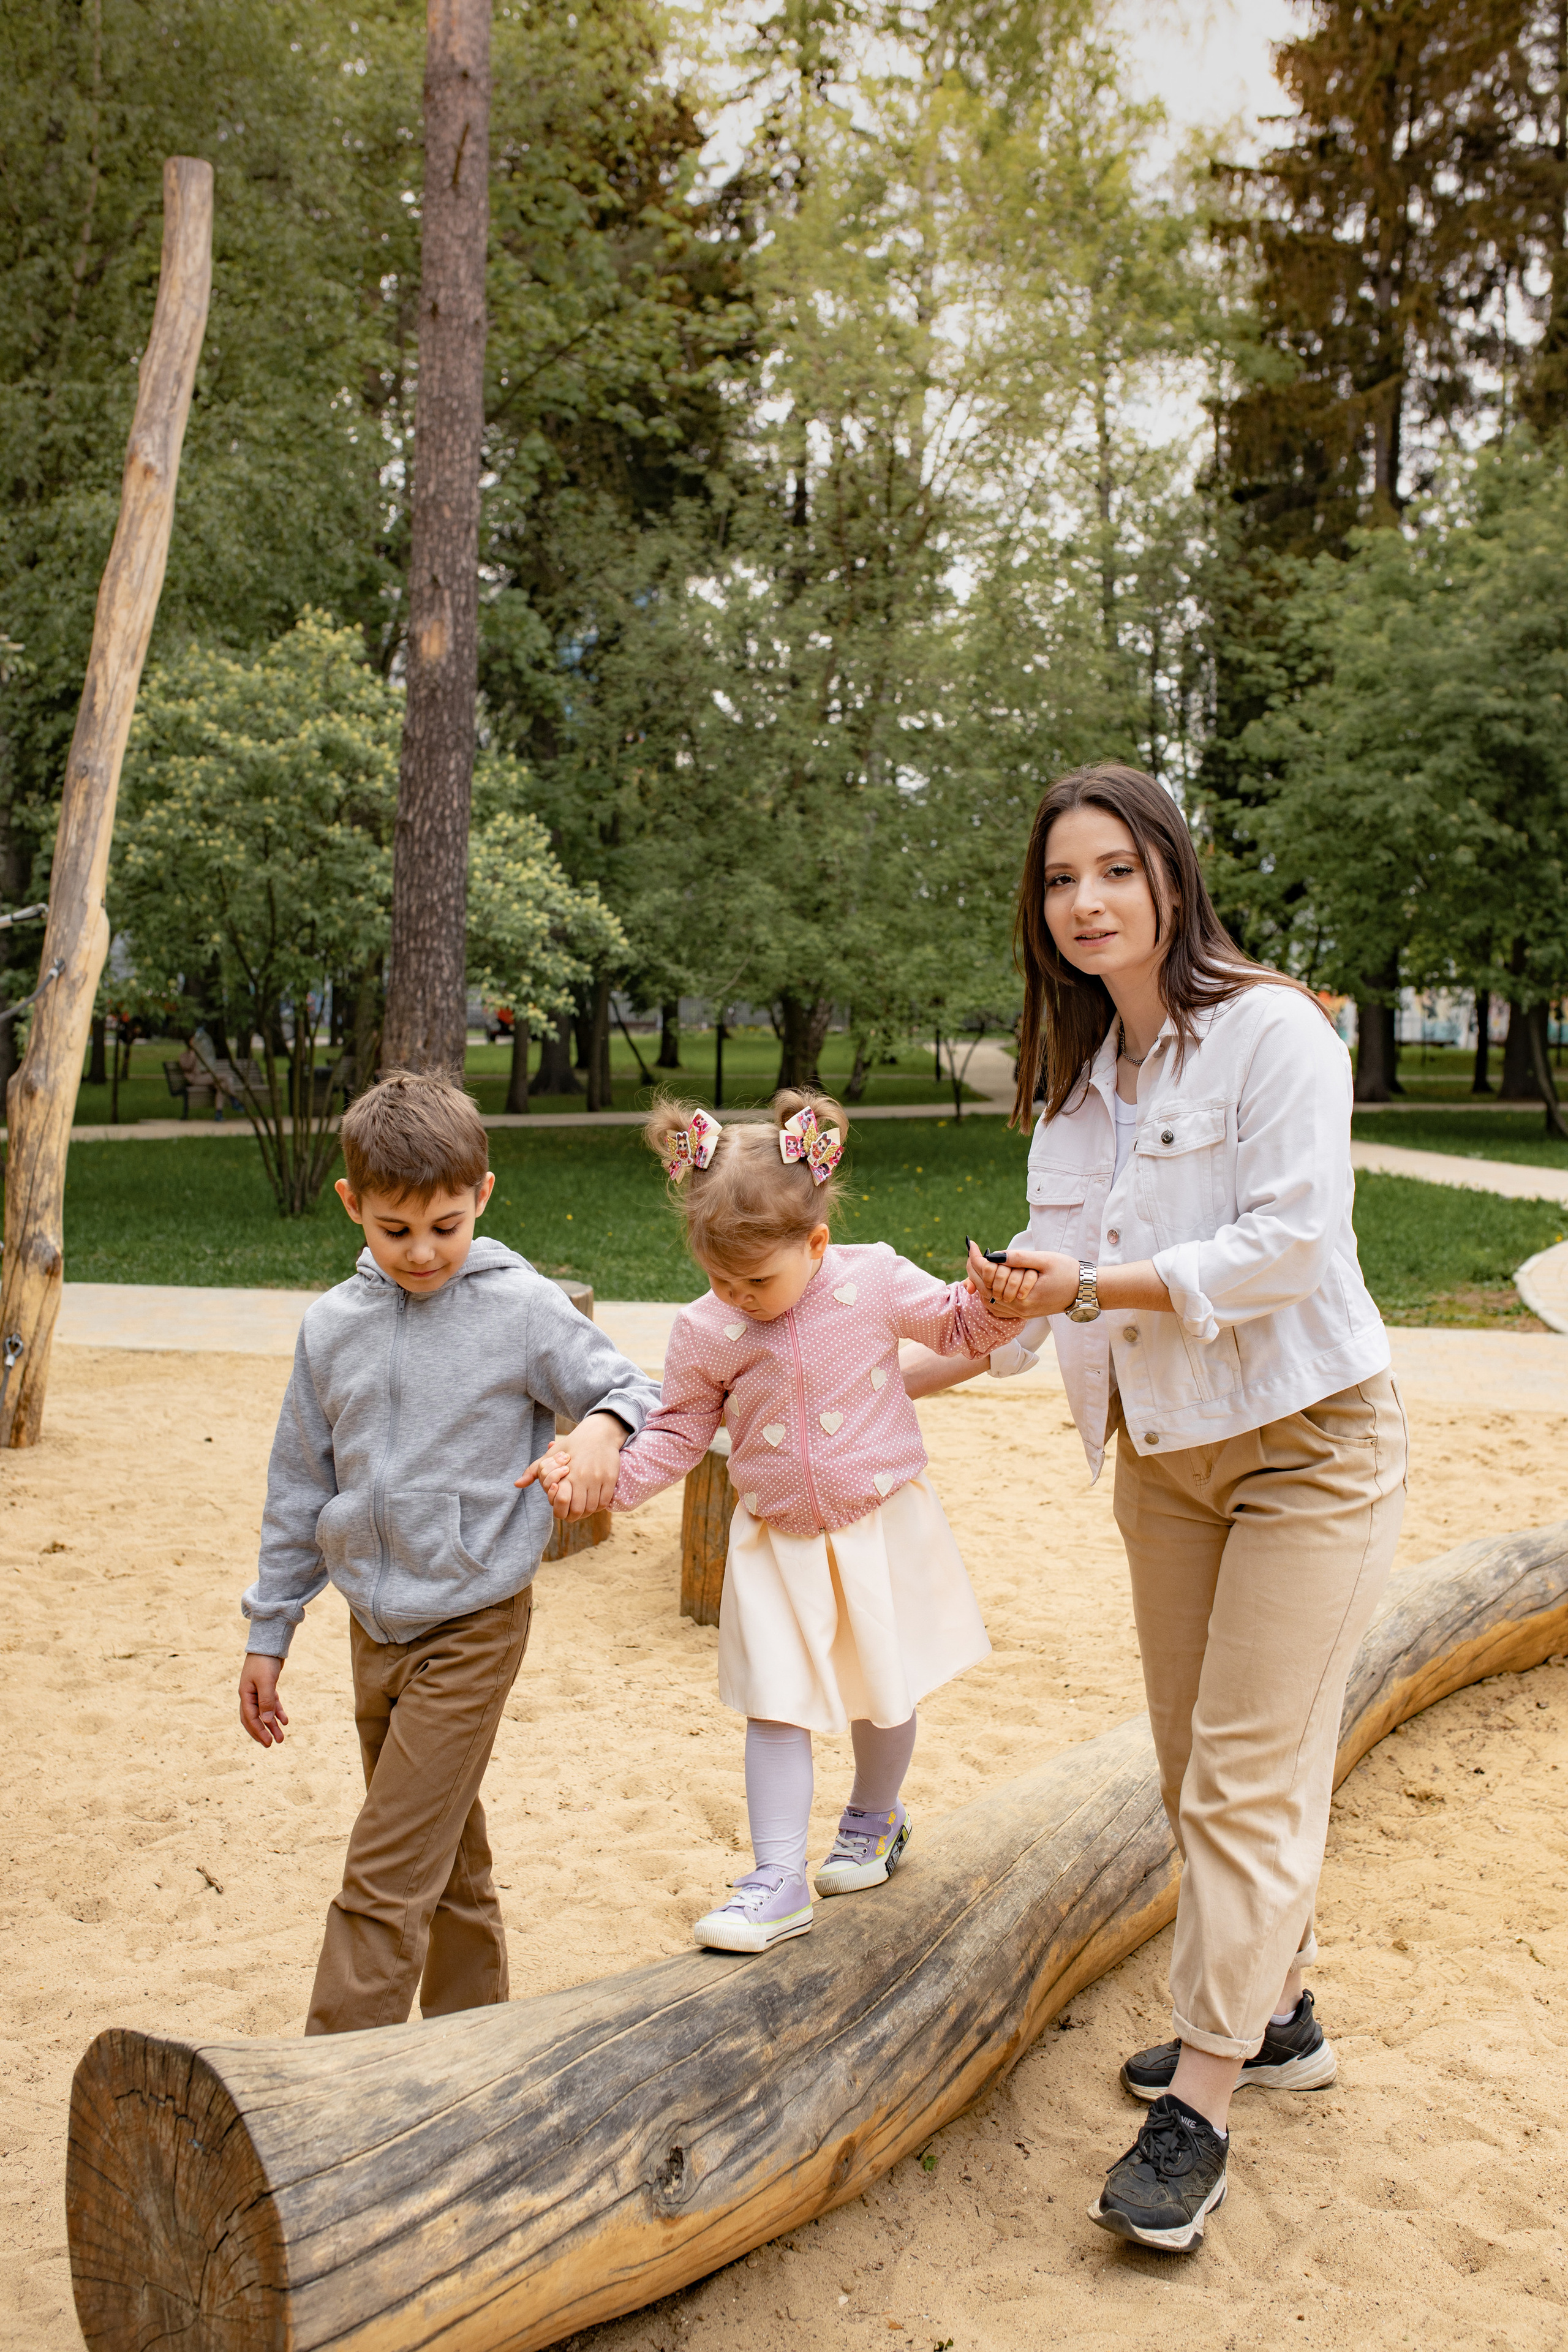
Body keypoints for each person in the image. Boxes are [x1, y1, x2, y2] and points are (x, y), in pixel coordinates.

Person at [908, 762, 1406, 2255]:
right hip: (1163, 1454)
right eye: (1060, 880)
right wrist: (871, 1359)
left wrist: (1085, 1289)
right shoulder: (1074, 1091)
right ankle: (1282, 2011)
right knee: (1201, 1770)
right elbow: (1032, 1302)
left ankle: (1199, 2097)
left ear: (1171, 879)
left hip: (1308, 1443)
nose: (1085, 902)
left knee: (1249, 1779)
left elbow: (1286, 1250)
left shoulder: (1271, 1033)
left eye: (1113, 870)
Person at [523, 1091, 1030, 1956]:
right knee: (774, 1705)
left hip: (877, 1525)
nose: (740, 1297)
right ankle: (777, 1878)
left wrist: (1001, 1302)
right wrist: (607, 1481)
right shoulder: (706, 1329)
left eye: (758, 1279)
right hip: (775, 1541)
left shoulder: (870, 1277)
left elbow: (955, 1325)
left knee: (885, 1686)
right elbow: (680, 1430)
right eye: (722, 1279)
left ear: (817, 1243)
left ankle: (874, 1818)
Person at [237, 1070, 660, 2035]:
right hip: (372, 1626)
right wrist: (271, 1629)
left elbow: (634, 1386)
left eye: (446, 1224)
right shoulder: (331, 1328)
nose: (422, 1251)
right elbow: (300, 1485)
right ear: (354, 1206)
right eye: (395, 1230)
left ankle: (335, 2087)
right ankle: (477, 2044)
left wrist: (599, 1428)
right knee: (443, 1853)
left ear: (483, 1197)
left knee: (382, 1875)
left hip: (472, 1624)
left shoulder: (519, 1307)